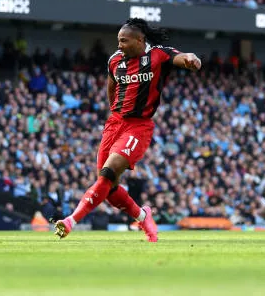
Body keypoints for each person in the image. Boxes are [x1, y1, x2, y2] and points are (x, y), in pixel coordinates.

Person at [53, 18, 202, 242]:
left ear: (140, 40)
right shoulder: (115, 60)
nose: (119, 44)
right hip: (114, 124)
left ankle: (70, 221)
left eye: (124, 40)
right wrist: (116, 113)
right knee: (109, 190)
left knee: (108, 173)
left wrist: (192, 59)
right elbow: (111, 88)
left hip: (138, 126)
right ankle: (144, 216)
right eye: (118, 41)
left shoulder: (158, 54)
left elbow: (183, 57)